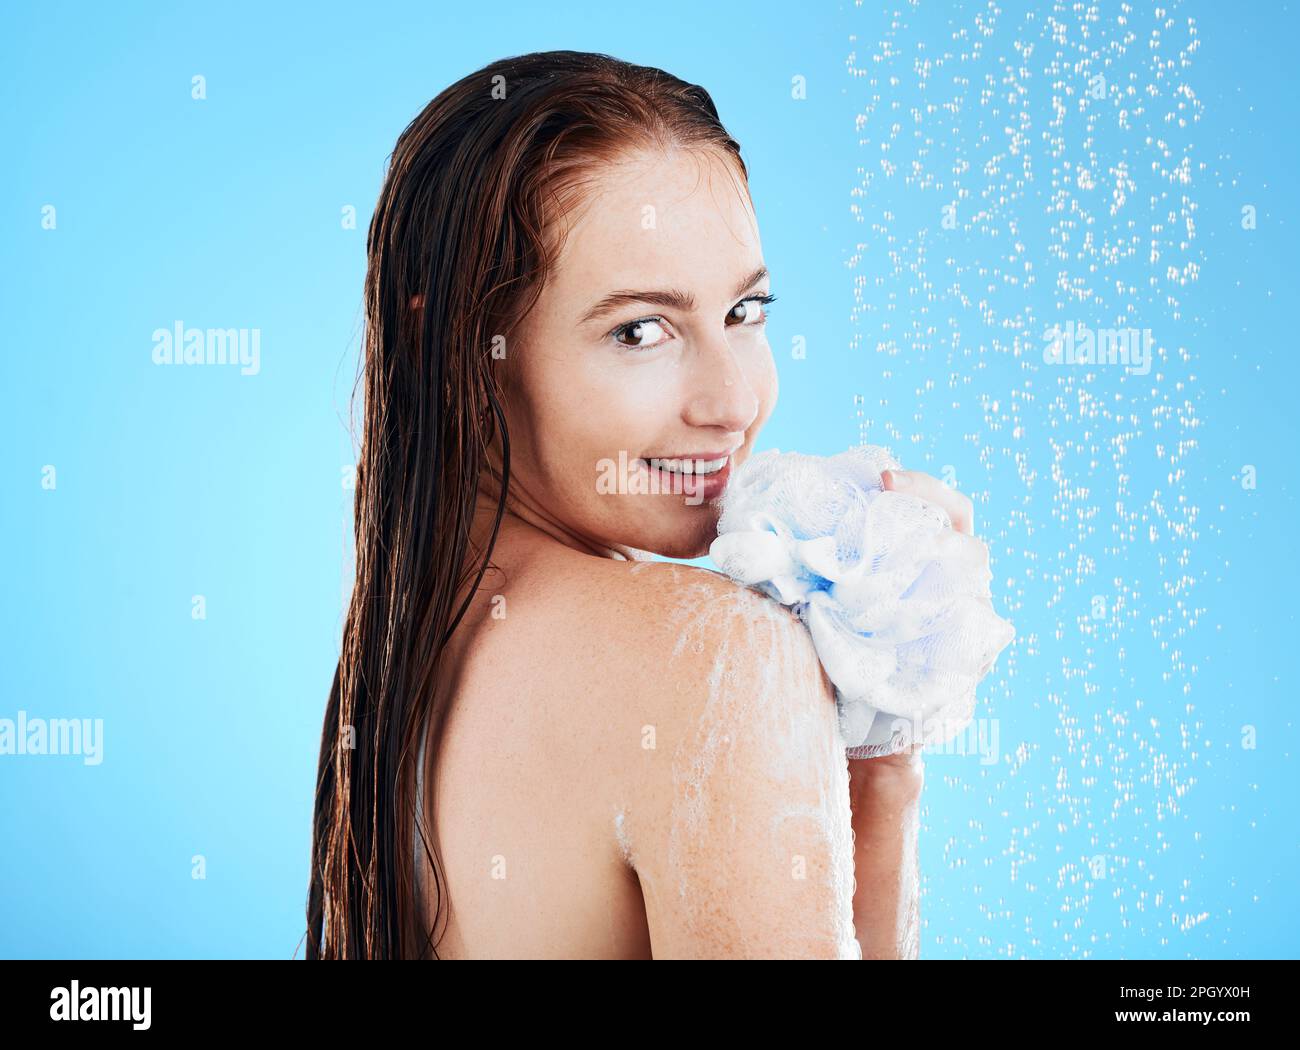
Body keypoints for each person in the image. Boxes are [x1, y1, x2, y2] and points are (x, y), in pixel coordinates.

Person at [307, 49, 974, 960]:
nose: (733, 403)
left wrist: (881, 760)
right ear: (463, 349)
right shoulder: (716, 658)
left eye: (745, 313)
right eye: (641, 330)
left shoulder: (398, 677)